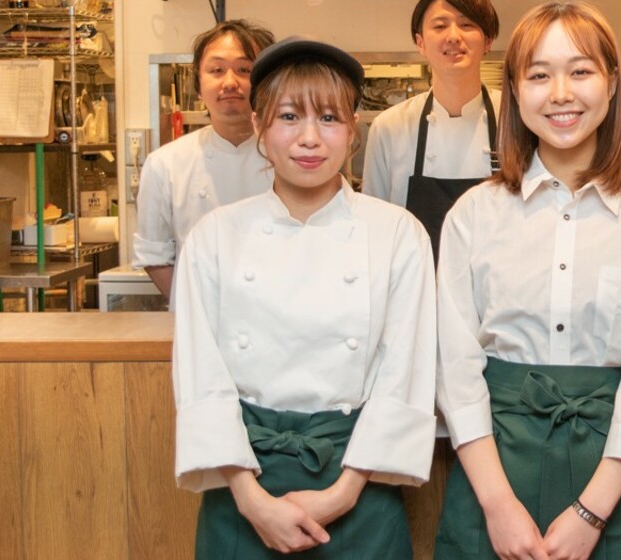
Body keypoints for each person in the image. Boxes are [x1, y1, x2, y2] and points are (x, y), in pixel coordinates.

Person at [434, 1, 621, 560]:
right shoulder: (473, 215)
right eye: (538, 76)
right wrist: (498, 506)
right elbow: (454, 368)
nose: (560, 94)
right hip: (492, 474)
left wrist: (590, 513)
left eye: (580, 71)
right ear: (514, 89)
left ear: (612, 82)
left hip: (612, 480)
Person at [172, 37, 437, 558]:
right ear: (259, 127)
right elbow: (201, 378)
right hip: (242, 482)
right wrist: (252, 500)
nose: (309, 139)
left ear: (353, 130)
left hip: (357, 480)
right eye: (289, 117)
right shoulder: (215, 236)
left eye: (329, 118)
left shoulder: (397, 234)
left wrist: (343, 493)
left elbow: (404, 373)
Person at [133, 19, 276, 297]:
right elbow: (154, 255)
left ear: (268, 83)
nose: (230, 82)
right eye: (217, 70)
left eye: (244, 70)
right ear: (198, 86)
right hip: (199, 313)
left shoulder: (293, 159)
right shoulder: (165, 163)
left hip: (279, 314)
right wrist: (194, 308)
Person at [361, 0, 501, 257]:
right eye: (440, 26)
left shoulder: (517, 119)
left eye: (467, 24)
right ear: (420, 43)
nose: (453, 36)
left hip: (496, 279)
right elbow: (373, 227)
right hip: (416, 279)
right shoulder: (389, 127)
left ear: (488, 41)